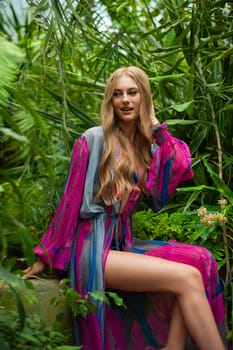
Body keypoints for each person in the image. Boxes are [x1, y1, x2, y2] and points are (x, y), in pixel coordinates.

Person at [23, 66, 226, 350]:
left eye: (133, 92)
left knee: (200, 260)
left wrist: (157, 130)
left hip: (122, 243)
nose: (125, 100)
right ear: (110, 101)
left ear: (144, 97)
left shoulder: (146, 148)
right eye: (117, 94)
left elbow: (178, 166)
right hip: (92, 247)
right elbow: (68, 206)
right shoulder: (93, 139)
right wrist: (44, 258)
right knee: (188, 277)